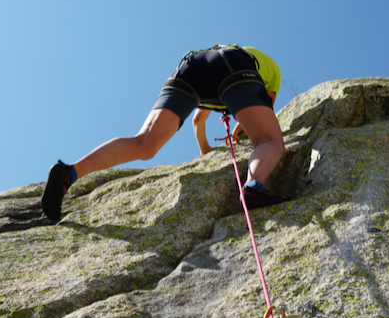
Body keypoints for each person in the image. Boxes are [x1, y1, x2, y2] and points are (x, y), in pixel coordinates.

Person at [41, 44, 291, 221]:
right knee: (269, 140)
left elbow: (198, 119)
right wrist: (242, 133)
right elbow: (264, 110)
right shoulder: (273, 74)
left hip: (190, 67)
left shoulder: (220, 54)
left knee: (145, 144)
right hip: (235, 66)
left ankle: (69, 173)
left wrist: (206, 151)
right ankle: (253, 185)